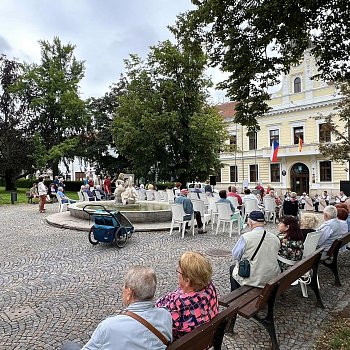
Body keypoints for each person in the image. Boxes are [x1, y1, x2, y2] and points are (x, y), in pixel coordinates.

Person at [61, 266, 172, 350]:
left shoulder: (109, 326)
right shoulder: (165, 316)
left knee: (69, 346)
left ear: (129, 293)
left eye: (124, 287)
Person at [155, 252, 218, 340]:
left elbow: (156, 311)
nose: (178, 273)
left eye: (179, 271)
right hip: (205, 339)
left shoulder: (178, 302)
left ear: (187, 281)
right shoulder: (210, 287)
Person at [230, 211, 280, 290]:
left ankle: (234, 296)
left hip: (253, 280)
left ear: (250, 222)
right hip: (271, 277)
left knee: (233, 269)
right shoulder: (275, 238)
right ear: (264, 222)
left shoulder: (246, 237)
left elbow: (235, 255)